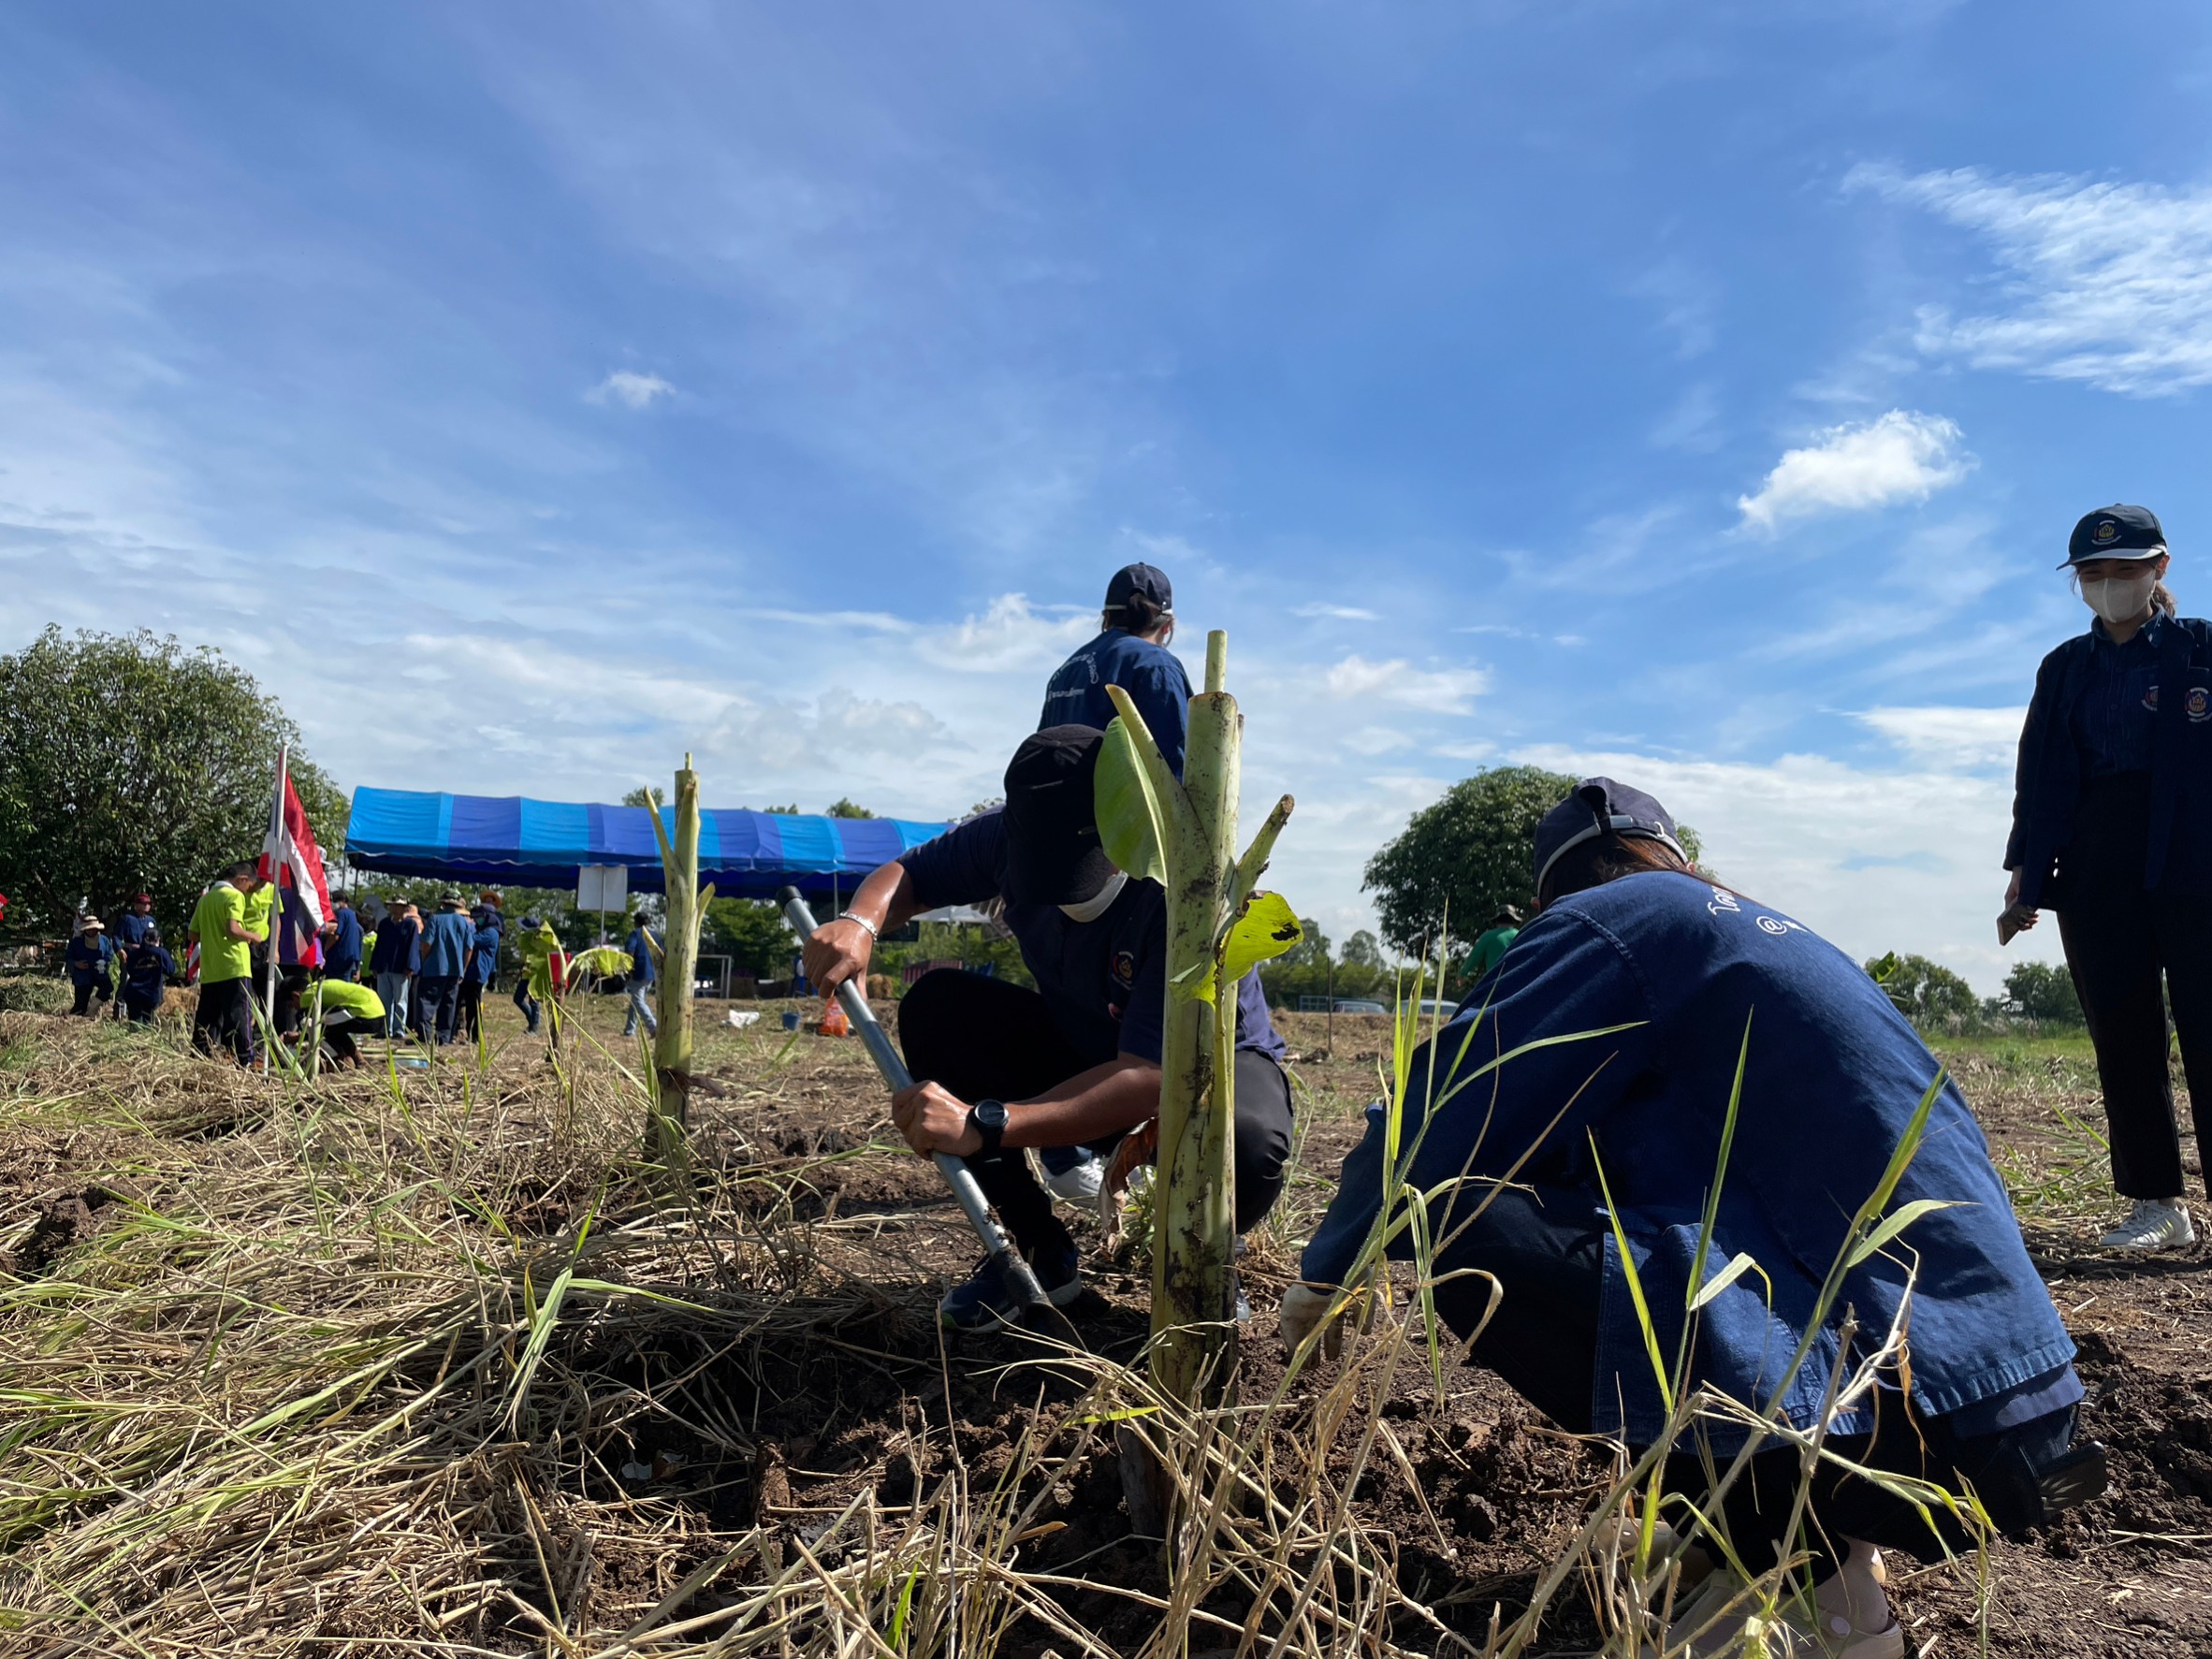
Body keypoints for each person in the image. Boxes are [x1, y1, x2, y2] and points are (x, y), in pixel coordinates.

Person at [1285, 779, 2099, 1656]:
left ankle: (1814, 1596)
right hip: (2001, 1409)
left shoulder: (1615, 919)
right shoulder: (1754, 937)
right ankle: (1748, 1542)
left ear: (1547, 903)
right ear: (1683, 859)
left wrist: (1326, 1267)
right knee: (1646, 1230)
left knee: (1452, 1213)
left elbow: (1441, 1110)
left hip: (1911, 1422)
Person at [802, 725, 1295, 1330]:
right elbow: (908, 875)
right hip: (1088, 1046)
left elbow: (1147, 1077)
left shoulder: (1180, 892)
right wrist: (860, 920)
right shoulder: (1008, 836)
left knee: (1244, 1137)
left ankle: (1204, 1264)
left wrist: (985, 1124)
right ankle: (1037, 1254)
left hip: (1199, 1073)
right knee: (939, 1006)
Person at [2004, 503, 2211, 1253]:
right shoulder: (2064, 670)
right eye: (2094, 573)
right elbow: (2041, 777)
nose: (2109, 583)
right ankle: (2160, 1202)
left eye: (2125, 569)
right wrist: (2026, 877)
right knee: (2124, 1034)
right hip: (2095, 861)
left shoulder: (2200, 651)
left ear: (2159, 568)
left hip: (2195, 856)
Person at [1034, 562, 1195, 1204]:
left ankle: (1065, 1146)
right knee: (1145, 1019)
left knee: (1069, 1001)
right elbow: (1179, 777)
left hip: (1062, 861)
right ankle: (1127, 1149)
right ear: (1167, 623)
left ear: (1104, 614)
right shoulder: (1156, 667)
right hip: (1129, 861)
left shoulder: (1063, 672)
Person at [188, 862, 268, 1063]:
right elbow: (233, 929)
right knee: (238, 1016)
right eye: (249, 887)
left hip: (211, 967)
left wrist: (211, 933)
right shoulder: (234, 896)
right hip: (234, 966)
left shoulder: (205, 900)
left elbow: (193, 934)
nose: (249, 892)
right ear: (242, 879)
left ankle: (199, 1057)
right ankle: (245, 1059)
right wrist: (253, 936)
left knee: (207, 1018)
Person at [414, 893, 475, 1044]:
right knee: (448, 1005)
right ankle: (443, 1038)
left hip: (434, 968)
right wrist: (463, 968)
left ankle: (425, 1035)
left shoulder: (435, 918)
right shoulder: (463, 922)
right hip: (455, 970)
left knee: (427, 1002)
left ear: (443, 904)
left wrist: (425, 959)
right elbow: (469, 948)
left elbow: (426, 943)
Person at [370, 900, 420, 1039]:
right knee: (384, 1000)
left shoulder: (411, 925)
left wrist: (410, 966)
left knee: (400, 1001)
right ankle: (384, 1029)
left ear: (404, 908)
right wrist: (374, 964)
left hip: (401, 968)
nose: (394, 908)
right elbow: (379, 944)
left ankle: (399, 1029)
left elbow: (413, 947)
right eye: (393, 905)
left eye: (398, 905)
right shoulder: (385, 924)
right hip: (384, 966)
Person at [458, 899, 502, 1042]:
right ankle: (468, 1033)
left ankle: (476, 1036)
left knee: (474, 1007)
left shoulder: (491, 933)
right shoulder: (483, 929)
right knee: (468, 1006)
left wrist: (468, 926)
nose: (477, 920)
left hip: (477, 973)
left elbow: (472, 940)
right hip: (470, 973)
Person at [514, 914, 561, 1037]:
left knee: (534, 1002)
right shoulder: (527, 940)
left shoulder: (541, 941)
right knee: (517, 999)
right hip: (526, 974)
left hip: (536, 975)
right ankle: (531, 1021)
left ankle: (534, 1028)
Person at [120, 930, 178, 1024]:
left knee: (134, 1024)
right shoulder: (161, 953)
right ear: (158, 939)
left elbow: (129, 969)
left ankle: (134, 1035)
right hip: (151, 994)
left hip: (133, 993)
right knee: (147, 1023)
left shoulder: (133, 953)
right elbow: (171, 970)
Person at [1462, 904, 1523, 986]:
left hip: (1494, 985)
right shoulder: (1521, 935)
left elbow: (1474, 957)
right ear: (1514, 920)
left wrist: (1462, 974)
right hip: (1517, 985)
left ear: (1497, 920)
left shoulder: (1488, 936)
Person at [65, 918, 115, 1016]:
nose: (91, 931)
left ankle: (92, 1009)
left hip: (99, 972)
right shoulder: (76, 942)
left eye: (94, 929)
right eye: (89, 929)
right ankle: (73, 1020)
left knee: (107, 989)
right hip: (83, 975)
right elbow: (68, 957)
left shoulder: (104, 940)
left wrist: (104, 961)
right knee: (80, 1006)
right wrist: (76, 964)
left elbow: (110, 954)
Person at [622, 914, 660, 1039]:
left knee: (638, 1001)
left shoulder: (636, 934)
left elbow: (629, 952)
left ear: (636, 922)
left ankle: (653, 1026)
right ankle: (629, 1029)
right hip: (652, 972)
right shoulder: (654, 935)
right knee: (635, 1001)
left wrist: (628, 969)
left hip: (640, 971)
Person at [323, 895, 364, 984]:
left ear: (342, 901)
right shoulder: (352, 915)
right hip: (350, 957)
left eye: (333, 901)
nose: (332, 904)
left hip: (339, 957)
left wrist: (325, 949)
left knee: (333, 984)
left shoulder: (340, 914)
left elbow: (336, 935)